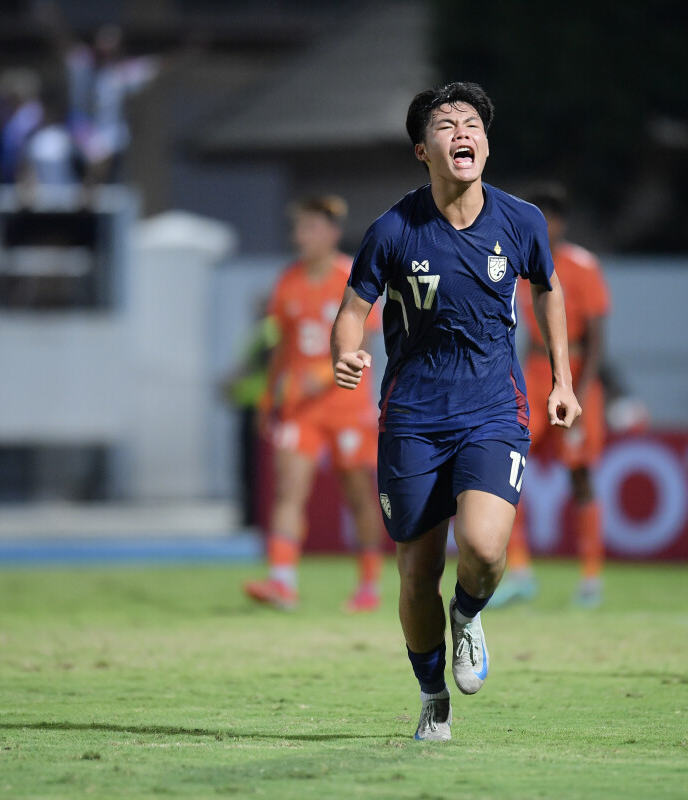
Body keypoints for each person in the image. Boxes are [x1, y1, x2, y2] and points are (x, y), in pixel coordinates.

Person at [330, 82, 580, 741]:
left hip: (494, 410)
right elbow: (352, 312)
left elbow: (548, 292)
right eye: (446, 125)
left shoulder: (521, 221)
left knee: (485, 547)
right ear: (424, 149)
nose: (462, 132)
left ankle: (468, 616)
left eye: (472, 123)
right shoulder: (392, 229)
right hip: (411, 418)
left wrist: (562, 378)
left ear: (486, 144)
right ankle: (432, 698)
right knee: (416, 575)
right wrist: (346, 355)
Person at [243, 195, 386, 613]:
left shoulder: (351, 277)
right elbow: (283, 351)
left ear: (331, 232)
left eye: (309, 228)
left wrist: (323, 375)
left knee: (358, 494)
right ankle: (282, 582)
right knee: (289, 489)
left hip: (345, 406)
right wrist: (268, 398)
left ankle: (369, 585)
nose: (300, 237)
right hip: (299, 409)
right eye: (298, 228)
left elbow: (367, 342)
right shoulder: (287, 281)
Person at [491, 183, 612, 609]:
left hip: (574, 375)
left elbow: (596, 339)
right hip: (535, 375)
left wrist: (579, 389)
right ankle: (520, 572)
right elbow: (527, 334)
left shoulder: (581, 266)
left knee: (579, 476)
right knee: (508, 469)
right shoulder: (520, 266)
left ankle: (591, 578)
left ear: (559, 223)